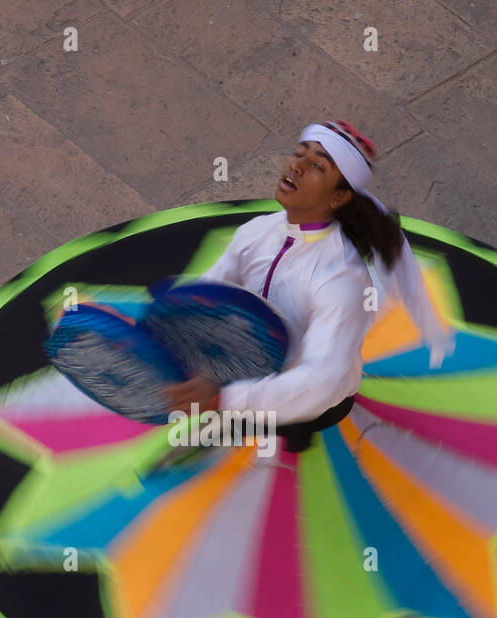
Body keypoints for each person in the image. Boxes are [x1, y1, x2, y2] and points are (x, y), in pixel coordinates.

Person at [164, 120, 453, 451]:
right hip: (245, 369)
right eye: (299, 154)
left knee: (291, 450)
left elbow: (320, 383)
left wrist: (225, 398)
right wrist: (167, 325)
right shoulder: (256, 231)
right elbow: (212, 290)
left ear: (339, 197)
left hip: (308, 405)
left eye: (317, 166)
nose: (295, 166)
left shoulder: (341, 280)